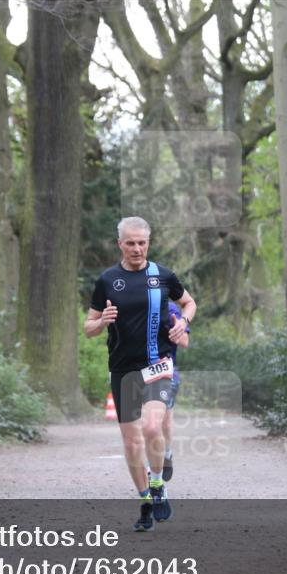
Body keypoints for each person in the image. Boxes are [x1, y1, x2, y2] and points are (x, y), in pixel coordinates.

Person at [84, 217, 197, 532]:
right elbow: (88, 328)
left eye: (142, 242)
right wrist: (102, 321)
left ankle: (158, 483)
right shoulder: (107, 280)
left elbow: (188, 303)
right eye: (130, 243)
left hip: (157, 364)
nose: (136, 248)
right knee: (132, 443)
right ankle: (145, 500)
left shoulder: (162, 276)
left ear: (149, 243)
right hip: (122, 369)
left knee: (151, 426)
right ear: (119, 243)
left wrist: (183, 323)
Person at [162, 300, 189, 482]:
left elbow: (185, 342)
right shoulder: (135, 304)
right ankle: (152, 470)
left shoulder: (171, 309)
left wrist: (175, 333)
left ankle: (167, 453)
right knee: (146, 423)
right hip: (137, 372)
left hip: (166, 373)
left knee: (164, 423)